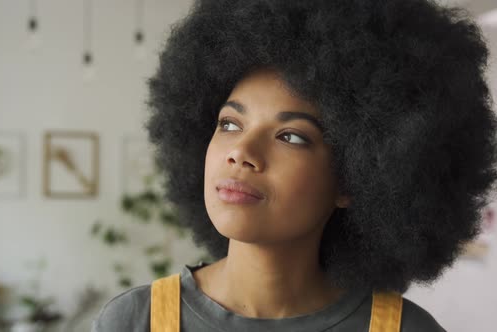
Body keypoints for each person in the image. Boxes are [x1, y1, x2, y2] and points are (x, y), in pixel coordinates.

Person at [92, 0, 497, 331]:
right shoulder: (135, 321)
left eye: (291, 137)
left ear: (354, 179)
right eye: (229, 124)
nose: (241, 152)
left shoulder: (404, 329)